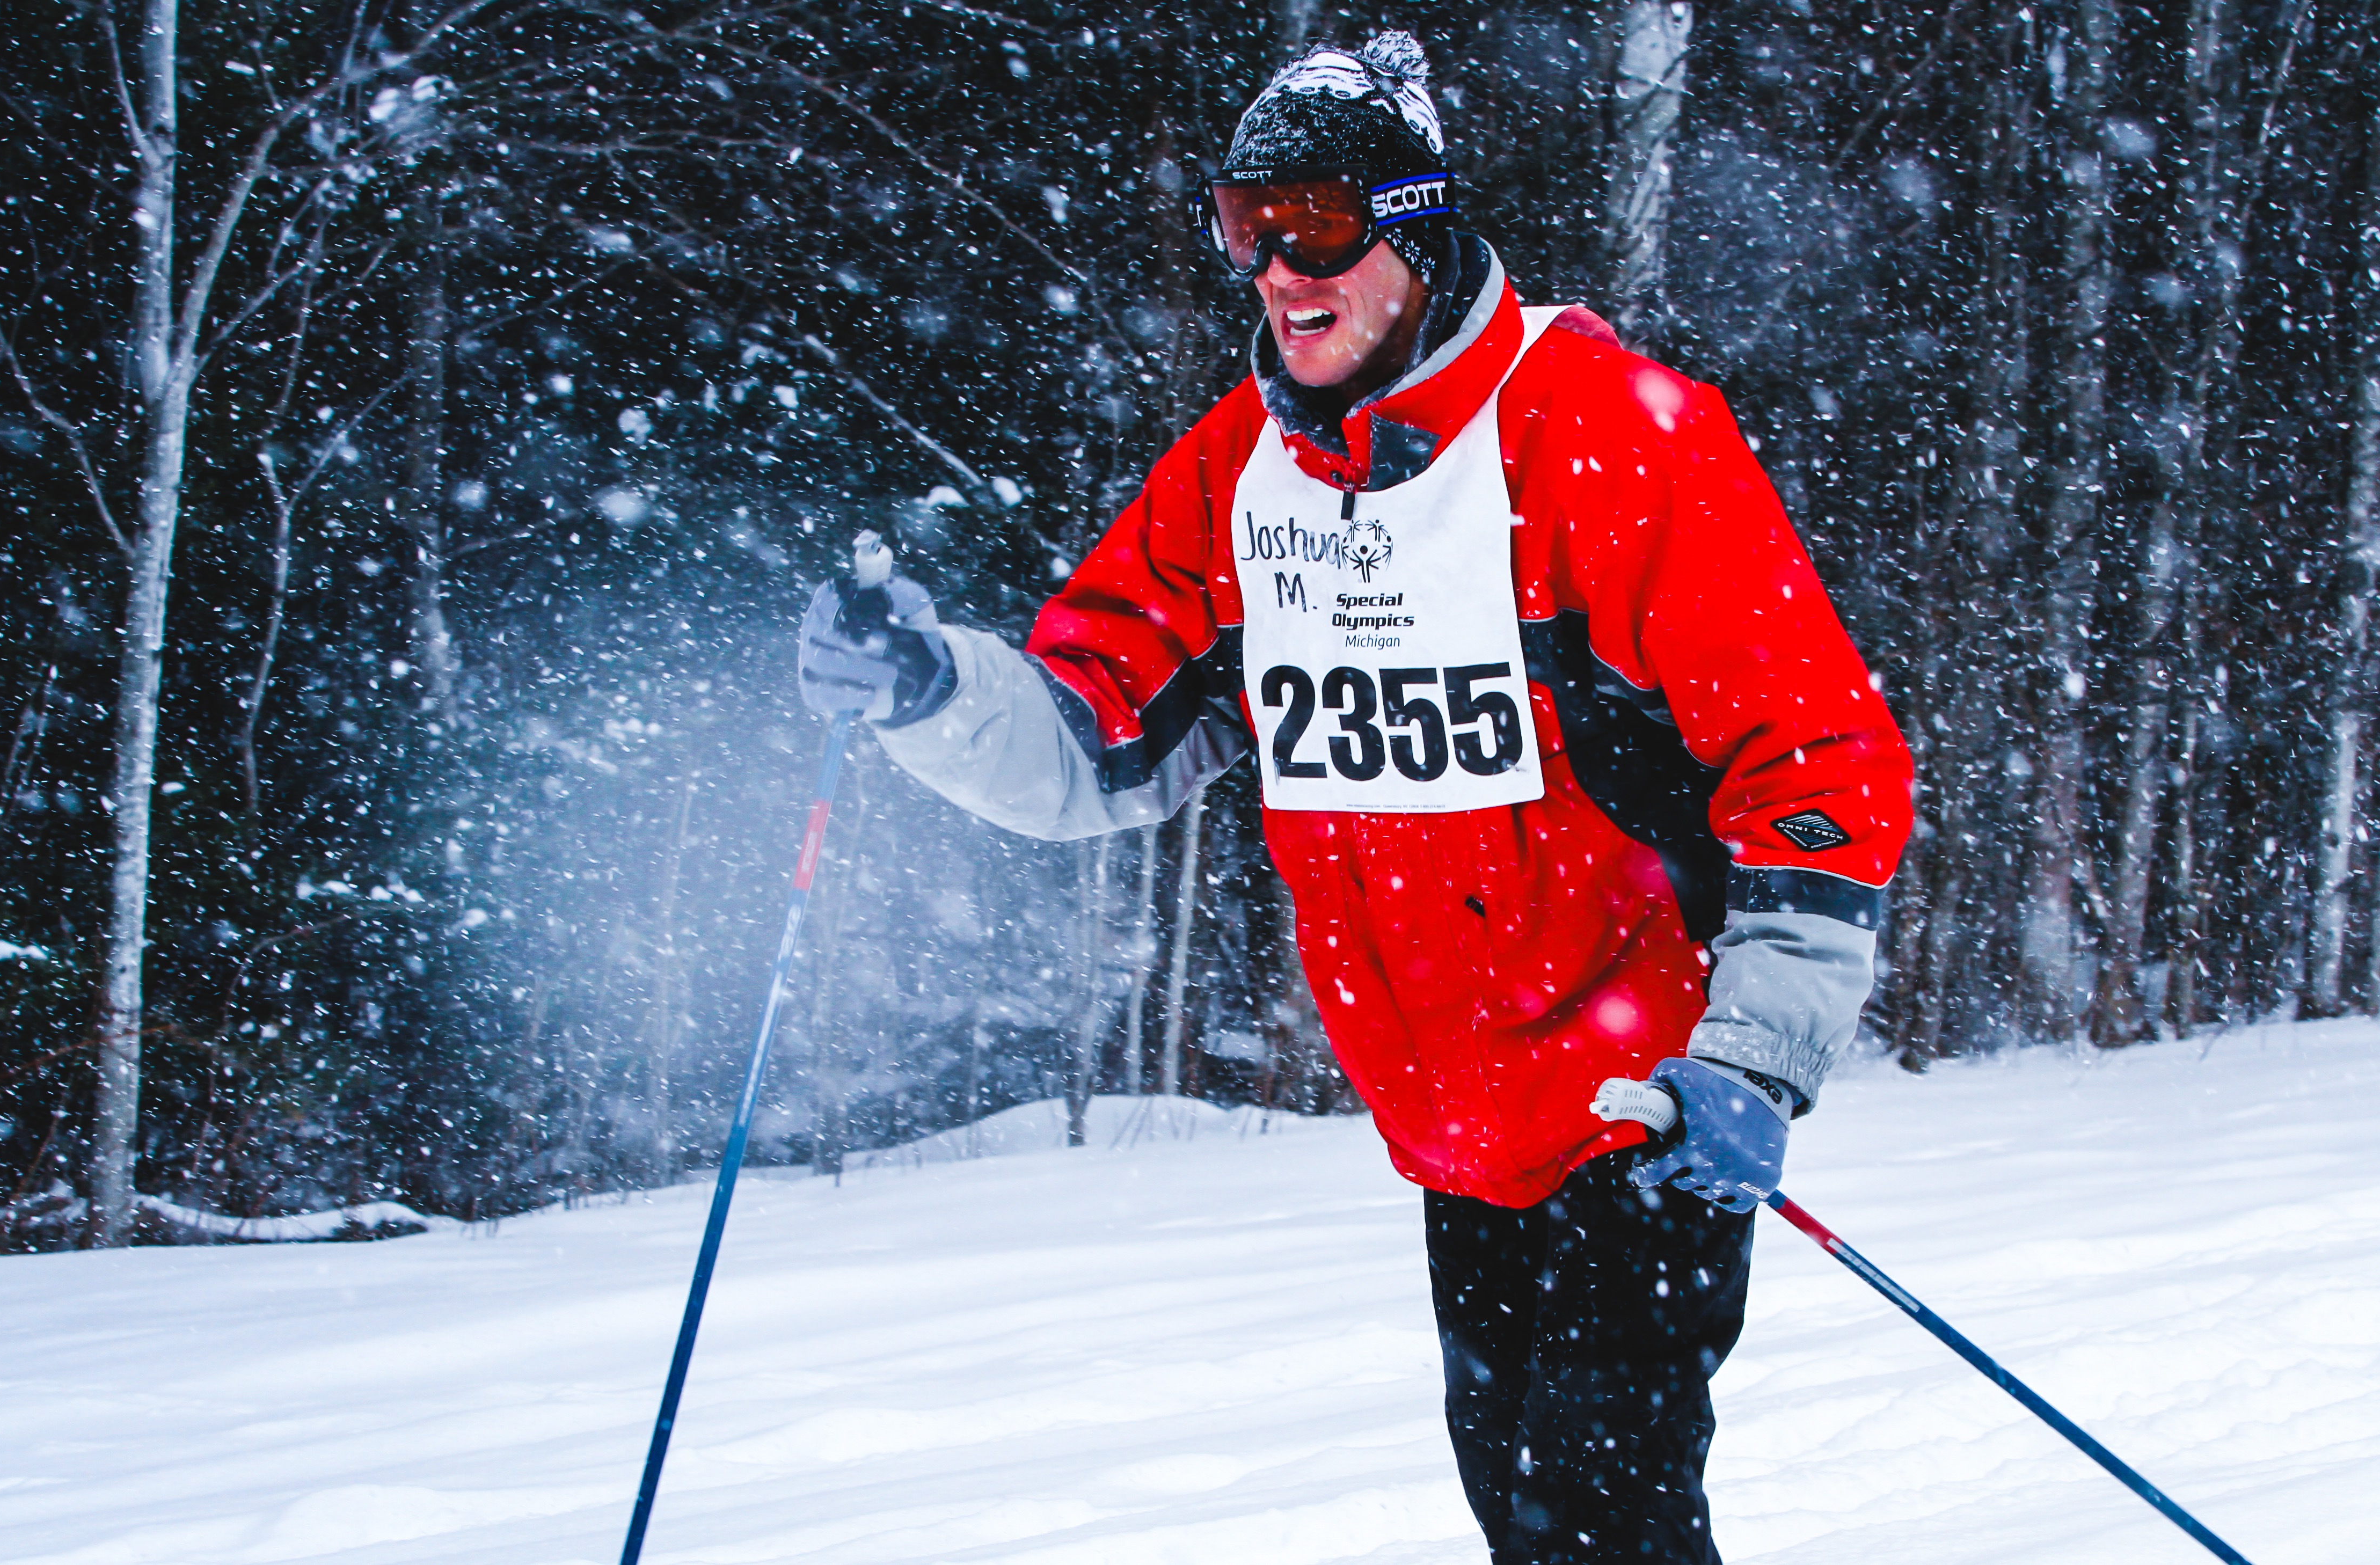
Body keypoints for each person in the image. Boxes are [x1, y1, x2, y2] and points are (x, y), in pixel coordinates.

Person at [799, 31, 1912, 1565]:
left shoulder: (1604, 431)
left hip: (1638, 1108)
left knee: (1602, 1530)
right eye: (1242, 225)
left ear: (1413, 220)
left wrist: (1754, 1058)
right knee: (1529, 1521)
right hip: (1456, 1128)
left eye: (1316, 220)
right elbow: (1095, 738)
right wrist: (930, 689)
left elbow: (1818, 756)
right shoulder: (1240, 480)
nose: (1275, 266)